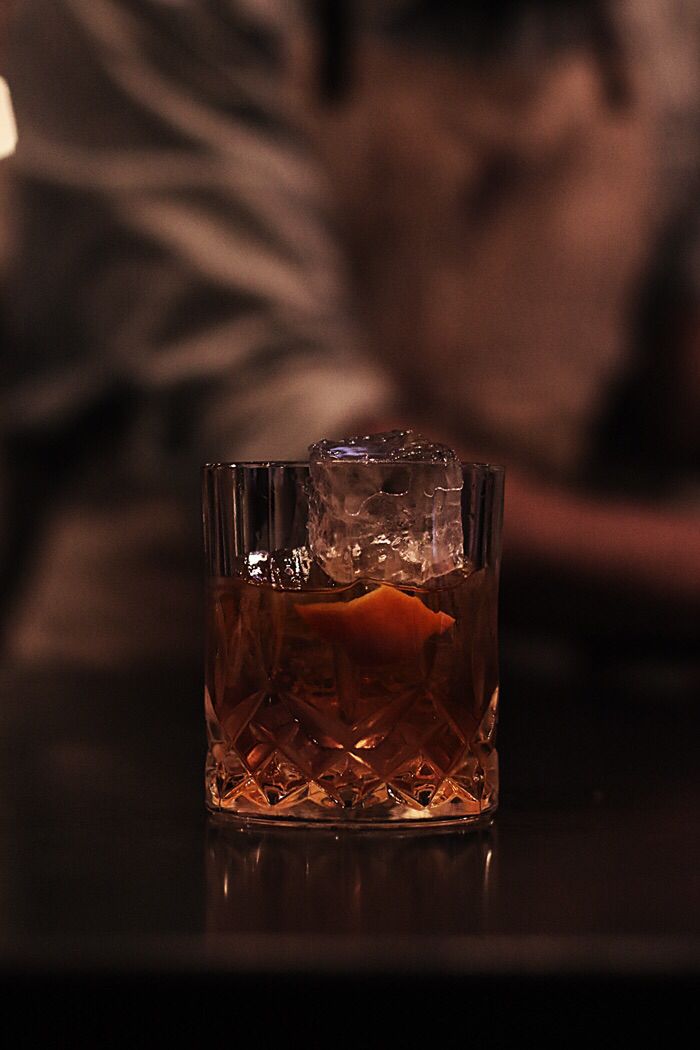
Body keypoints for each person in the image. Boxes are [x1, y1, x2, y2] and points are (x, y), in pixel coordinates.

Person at [1, 0, 698, 670]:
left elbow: (670, 367)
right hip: (177, 678)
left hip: (504, 681)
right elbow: (290, 468)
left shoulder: (657, 28)